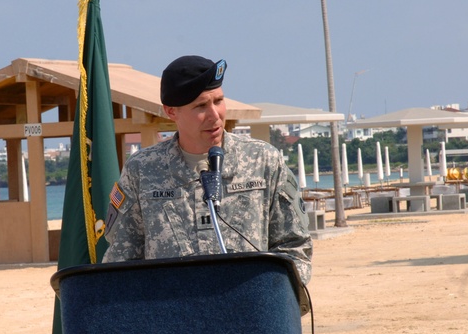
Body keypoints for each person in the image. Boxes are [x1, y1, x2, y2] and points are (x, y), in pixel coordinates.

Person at [102, 54, 312, 288]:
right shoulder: (142, 169)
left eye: (219, 101)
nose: (215, 115)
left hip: (250, 313)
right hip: (172, 316)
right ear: (171, 111)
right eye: (201, 106)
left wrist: (271, 299)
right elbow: (122, 259)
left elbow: (295, 247)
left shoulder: (263, 161)